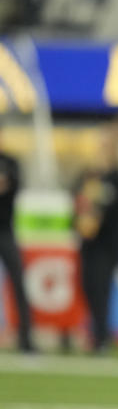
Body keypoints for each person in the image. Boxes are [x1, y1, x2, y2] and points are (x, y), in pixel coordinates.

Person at [74, 122, 118, 353]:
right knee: (88, 286)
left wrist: (100, 208)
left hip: (107, 243)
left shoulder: (117, 178)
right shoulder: (87, 175)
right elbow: (75, 201)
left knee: (102, 288)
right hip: (88, 242)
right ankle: (96, 333)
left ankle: (102, 337)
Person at [0, 148, 32, 352]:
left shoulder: (10, 161)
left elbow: (17, 185)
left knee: (19, 282)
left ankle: (26, 340)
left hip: (5, 230)